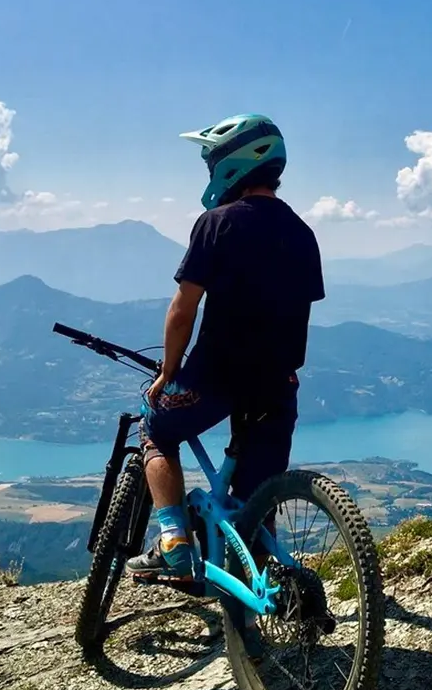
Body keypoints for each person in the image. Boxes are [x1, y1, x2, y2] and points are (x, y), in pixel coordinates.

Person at [127, 113, 325, 579]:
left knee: (156, 429)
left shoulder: (216, 223)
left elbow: (182, 310)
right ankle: (255, 616)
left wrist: (169, 371)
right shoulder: (303, 233)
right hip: (277, 383)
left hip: (216, 378)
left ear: (229, 166)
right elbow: (301, 309)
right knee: (258, 499)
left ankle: (174, 540)